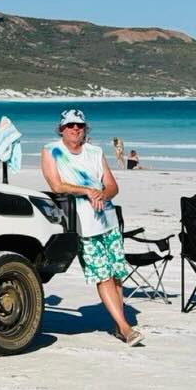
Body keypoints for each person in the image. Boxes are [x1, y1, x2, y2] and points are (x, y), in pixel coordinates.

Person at [41, 107, 141, 345]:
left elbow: (112, 186)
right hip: (81, 223)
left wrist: (102, 194)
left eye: (80, 125)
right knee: (103, 276)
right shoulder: (51, 151)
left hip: (108, 220)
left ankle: (119, 325)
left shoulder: (95, 152)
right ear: (62, 129)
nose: (76, 129)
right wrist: (86, 191)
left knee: (116, 275)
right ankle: (126, 328)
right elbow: (56, 185)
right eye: (70, 125)